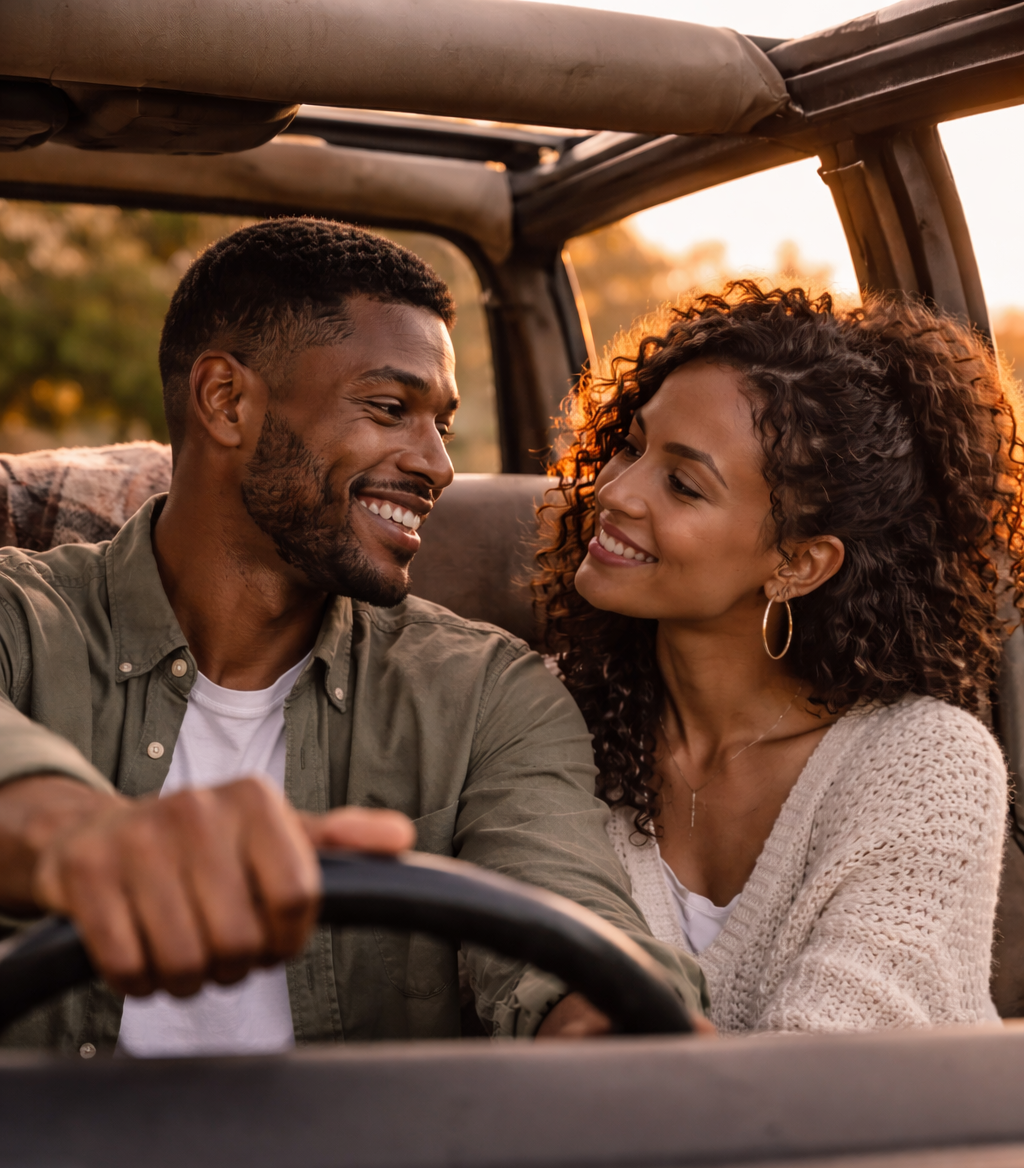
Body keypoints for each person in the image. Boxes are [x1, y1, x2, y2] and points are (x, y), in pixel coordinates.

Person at [0, 217, 706, 1055]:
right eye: (390, 408)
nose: (438, 464)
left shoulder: (487, 694)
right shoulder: (22, 616)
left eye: (441, 422)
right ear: (227, 401)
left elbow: (574, 924)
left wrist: (616, 1033)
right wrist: (78, 835)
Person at [536, 283, 1022, 1032]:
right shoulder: (545, 715)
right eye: (632, 445)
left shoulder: (928, 764)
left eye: (683, 484)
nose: (615, 490)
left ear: (799, 564)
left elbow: (818, 1076)